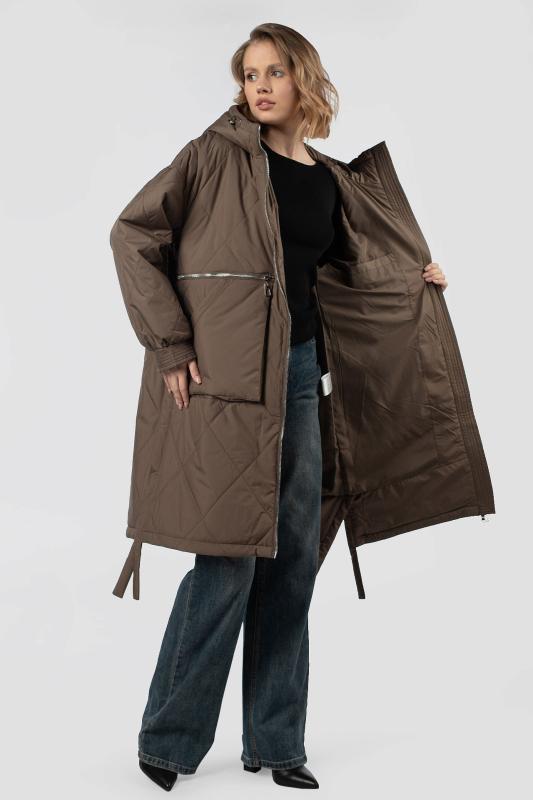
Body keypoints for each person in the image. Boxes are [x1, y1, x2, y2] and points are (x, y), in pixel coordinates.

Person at [111, 23, 448, 793]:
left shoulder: (327, 179)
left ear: (304, 80)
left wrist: (413, 277)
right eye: (249, 74)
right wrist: (170, 344)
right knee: (226, 559)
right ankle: (167, 739)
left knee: (293, 561)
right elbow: (132, 234)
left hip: (299, 377)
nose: (259, 86)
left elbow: (343, 274)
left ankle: (276, 741)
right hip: (226, 384)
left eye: (274, 72)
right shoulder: (214, 156)